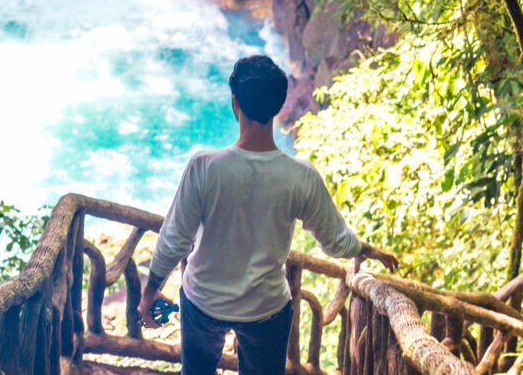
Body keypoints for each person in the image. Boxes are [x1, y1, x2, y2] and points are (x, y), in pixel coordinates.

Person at [139, 55, 399, 374]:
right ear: (278, 106)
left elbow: (174, 240)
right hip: (265, 308)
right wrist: (365, 249)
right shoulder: (300, 177)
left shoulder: (204, 167)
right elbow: (335, 241)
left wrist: (150, 291)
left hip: (203, 301)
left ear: (235, 103)